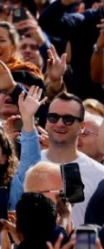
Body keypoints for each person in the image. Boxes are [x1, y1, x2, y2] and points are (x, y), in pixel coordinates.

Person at [39, 93, 104, 226]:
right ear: (46, 122)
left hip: (81, 246)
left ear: (81, 127)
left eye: (68, 119)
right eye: (53, 118)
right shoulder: (28, 164)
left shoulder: (100, 174)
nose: (60, 123)